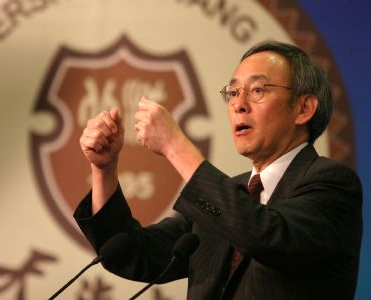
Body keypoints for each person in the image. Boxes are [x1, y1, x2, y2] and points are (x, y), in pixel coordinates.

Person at [74, 41, 362, 299]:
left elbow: (268, 237)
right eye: (234, 92)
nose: (239, 104)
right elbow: (135, 254)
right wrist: (104, 169)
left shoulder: (332, 185)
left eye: (258, 90)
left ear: (304, 108)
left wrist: (175, 145)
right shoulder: (226, 198)